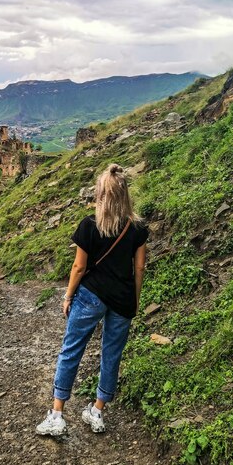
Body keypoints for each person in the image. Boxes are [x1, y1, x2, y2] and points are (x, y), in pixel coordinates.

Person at [36, 163, 148, 436]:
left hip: (90, 296)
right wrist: (134, 299)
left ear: (101, 194)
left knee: (71, 349)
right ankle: (97, 412)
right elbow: (140, 268)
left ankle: (58, 414)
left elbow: (78, 267)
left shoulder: (89, 225)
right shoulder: (137, 229)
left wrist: (68, 295)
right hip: (122, 299)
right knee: (112, 354)